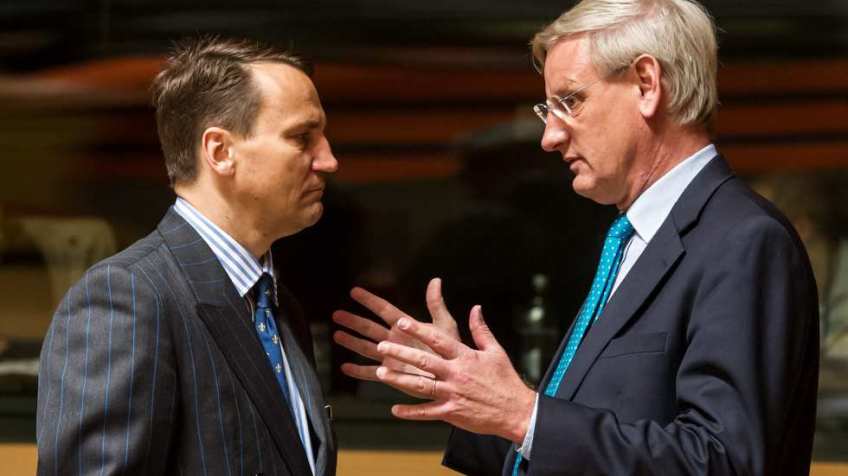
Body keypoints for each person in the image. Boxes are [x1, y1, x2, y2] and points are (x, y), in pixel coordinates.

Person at [332, 0, 819, 474]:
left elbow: (724, 461)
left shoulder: (744, 241)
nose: (549, 137)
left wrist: (522, 414)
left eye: (570, 101)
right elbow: (581, 438)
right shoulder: (631, 238)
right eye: (549, 109)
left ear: (647, 84)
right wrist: (465, 391)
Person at [36, 36, 338, 475]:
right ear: (220, 152)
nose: (328, 160)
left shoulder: (279, 305)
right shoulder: (128, 297)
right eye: (302, 138)